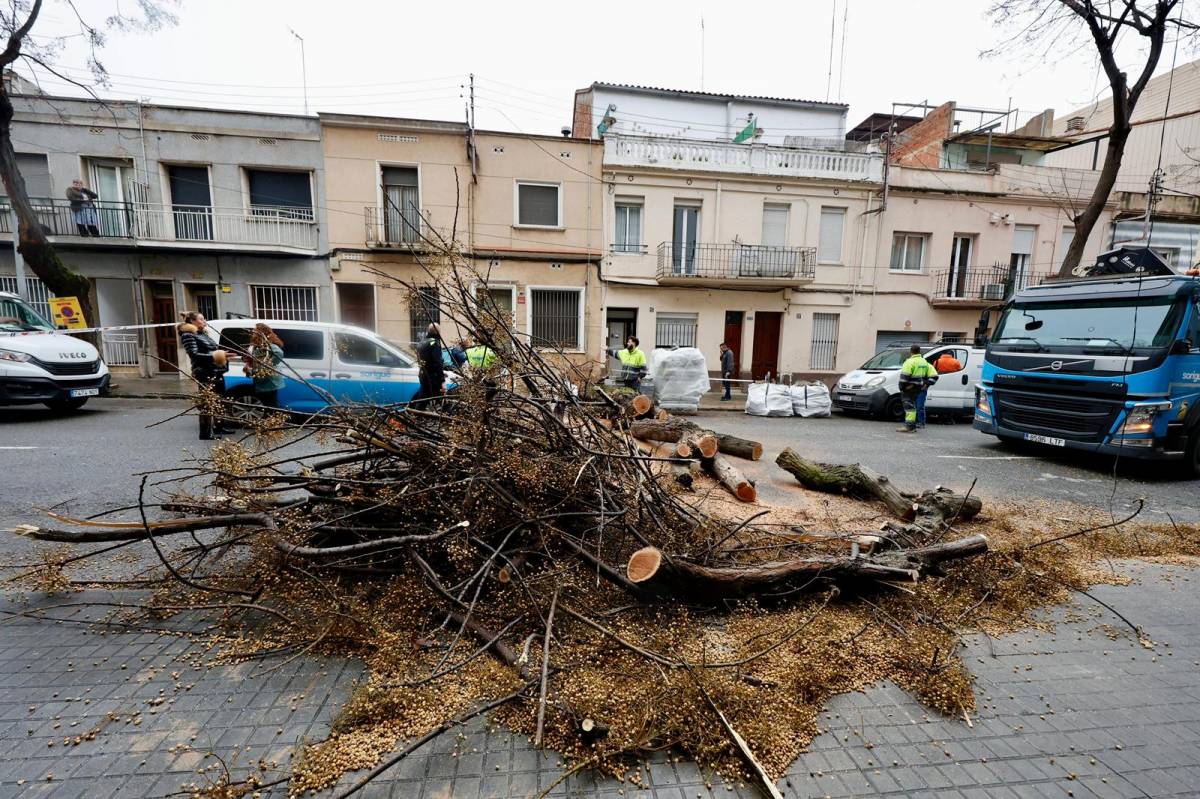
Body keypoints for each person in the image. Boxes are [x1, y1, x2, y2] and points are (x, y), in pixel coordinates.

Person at [178, 311, 233, 440]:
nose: (204, 321)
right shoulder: (188, 335)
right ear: (192, 321)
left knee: (221, 400)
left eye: (204, 319)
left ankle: (219, 427)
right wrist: (218, 356)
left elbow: (213, 349)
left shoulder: (203, 333)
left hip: (216, 370)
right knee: (207, 403)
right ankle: (205, 432)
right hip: (204, 372)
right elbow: (194, 354)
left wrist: (223, 354)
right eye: (201, 319)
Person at [897, 344, 938, 433]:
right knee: (914, 406)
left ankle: (909, 427)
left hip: (909, 388)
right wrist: (926, 384)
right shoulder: (924, 362)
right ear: (919, 351)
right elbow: (934, 376)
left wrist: (902, 387)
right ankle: (913, 425)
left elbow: (904, 377)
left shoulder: (909, 362)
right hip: (919, 388)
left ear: (911, 352)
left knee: (909, 407)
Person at [244, 323, 285, 410]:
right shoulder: (257, 345)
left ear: (261, 333)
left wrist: (267, 364)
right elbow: (252, 359)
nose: (253, 333)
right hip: (263, 380)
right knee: (268, 403)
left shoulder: (267, 345)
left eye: (255, 331)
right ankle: (271, 420)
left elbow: (279, 353)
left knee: (270, 404)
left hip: (269, 380)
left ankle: (272, 420)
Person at [414, 322, 445, 404]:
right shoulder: (434, 343)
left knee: (422, 400)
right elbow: (438, 363)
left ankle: (417, 415)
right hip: (432, 377)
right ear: (437, 331)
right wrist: (442, 380)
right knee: (442, 401)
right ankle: (448, 415)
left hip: (423, 375)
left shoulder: (422, 342)